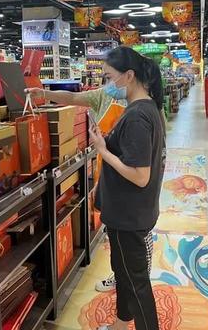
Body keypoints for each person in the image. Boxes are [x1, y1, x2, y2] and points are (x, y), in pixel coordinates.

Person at [26, 81, 148, 293]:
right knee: (115, 232)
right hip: (110, 172)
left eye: (112, 73)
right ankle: (121, 276)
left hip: (134, 173)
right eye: (108, 75)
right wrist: (43, 93)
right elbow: (72, 98)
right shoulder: (104, 95)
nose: (110, 80)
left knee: (139, 234)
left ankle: (138, 282)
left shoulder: (141, 100)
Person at [89, 46, 166, 330]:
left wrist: (102, 151)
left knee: (135, 281)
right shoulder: (146, 108)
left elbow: (139, 175)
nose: (108, 84)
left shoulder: (136, 116)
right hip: (130, 211)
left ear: (129, 76)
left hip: (129, 213)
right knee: (123, 272)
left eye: (109, 77)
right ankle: (121, 327)